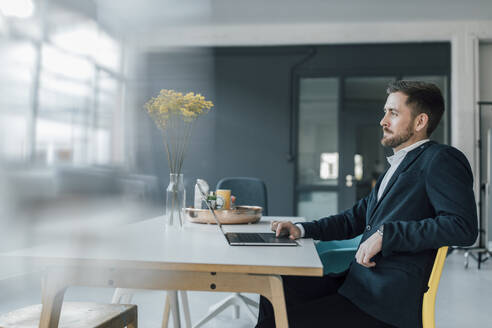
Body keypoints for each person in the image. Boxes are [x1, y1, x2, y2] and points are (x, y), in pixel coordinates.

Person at [256, 80, 478, 328]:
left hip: (383, 303)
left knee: (274, 322)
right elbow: (356, 218)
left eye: (393, 113)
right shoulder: (397, 166)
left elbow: (462, 226)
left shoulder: (441, 159)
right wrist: (304, 229)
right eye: (385, 112)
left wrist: (387, 234)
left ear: (420, 122)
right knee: (273, 286)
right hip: (356, 285)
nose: (383, 121)